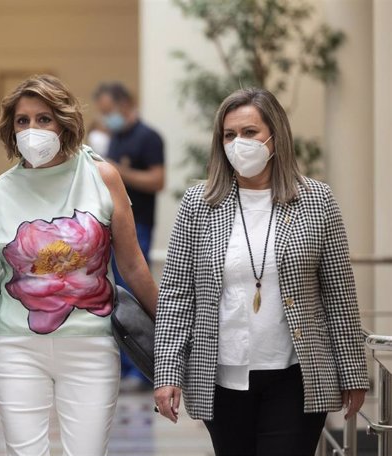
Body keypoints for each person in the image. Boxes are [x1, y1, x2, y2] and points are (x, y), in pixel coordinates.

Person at [0, 74, 158, 456]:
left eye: (43, 119)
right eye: (23, 121)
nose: (33, 129)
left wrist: (170, 337)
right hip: (18, 348)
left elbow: (132, 267)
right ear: (11, 130)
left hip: (91, 347)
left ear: (64, 123)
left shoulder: (102, 178)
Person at [154, 88, 369, 455]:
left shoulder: (316, 200)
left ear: (275, 135)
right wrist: (168, 372)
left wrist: (353, 372)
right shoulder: (199, 204)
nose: (239, 142)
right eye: (229, 135)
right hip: (221, 377)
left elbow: (339, 291)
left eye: (250, 132)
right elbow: (177, 294)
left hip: (295, 375)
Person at [94, 81, 165, 389]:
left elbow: (157, 180)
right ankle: (125, 366)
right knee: (116, 295)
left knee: (135, 292)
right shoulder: (116, 139)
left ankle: (145, 366)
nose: (107, 117)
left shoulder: (148, 138)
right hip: (111, 225)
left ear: (126, 105)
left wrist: (118, 173)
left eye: (110, 111)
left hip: (140, 224)